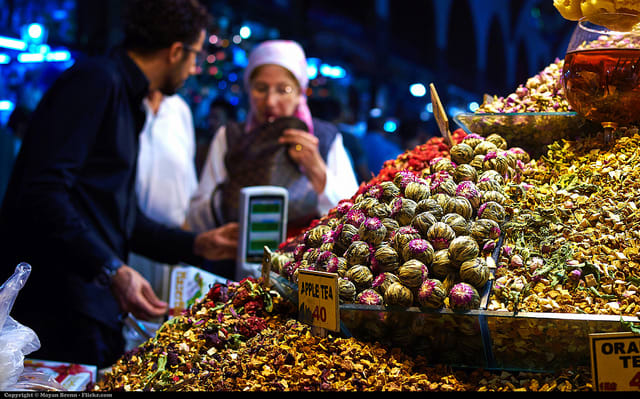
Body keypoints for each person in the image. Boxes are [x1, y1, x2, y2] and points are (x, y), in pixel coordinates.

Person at [0, 0, 238, 368]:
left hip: (91, 309)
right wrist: (112, 268)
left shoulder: (128, 98)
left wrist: (195, 244)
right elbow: (42, 192)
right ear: (176, 51)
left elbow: (116, 215)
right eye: (194, 54)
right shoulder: (96, 82)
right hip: (59, 310)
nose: (194, 67)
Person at [186, 40, 359, 264]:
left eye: (284, 90)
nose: (270, 101)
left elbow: (353, 216)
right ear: (249, 90)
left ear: (299, 93)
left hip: (304, 267)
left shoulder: (324, 138)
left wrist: (316, 168)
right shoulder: (230, 137)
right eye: (260, 88)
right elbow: (198, 216)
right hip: (236, 263)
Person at [128, 89, 199, 307]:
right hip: (128, 249)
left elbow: (187, 186)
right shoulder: (124, 104)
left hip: (173, 245)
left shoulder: (179, 110)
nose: (193, 69)